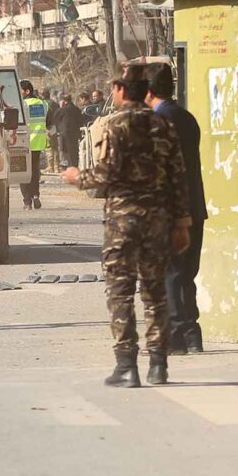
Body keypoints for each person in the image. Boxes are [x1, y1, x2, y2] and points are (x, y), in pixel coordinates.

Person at [61, 65, 192, 388]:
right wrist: (182, 223)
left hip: (123, 221)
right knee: (155, 291)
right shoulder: (163, 124)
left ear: (121, 89)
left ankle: (127, 365)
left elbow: (106, 174)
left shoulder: (115, 125)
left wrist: (78, 178)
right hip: (158, 219)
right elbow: (179, 178)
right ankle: (158, 365)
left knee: (120, 291)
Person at [145, 63, 208, 354]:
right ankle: (191, 334)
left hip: (170, 209)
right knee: (184, 274)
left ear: (148, 92)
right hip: (194, 205)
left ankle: (177, 337)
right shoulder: (187, 117)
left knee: (169, 273)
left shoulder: (157, 122)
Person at [20, 80, 48, 210]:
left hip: (24, 143)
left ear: (27, 91)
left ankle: (27, 202)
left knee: (23, 172)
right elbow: (50, 123)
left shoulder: (22, 105)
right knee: (35, 171)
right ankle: (36, 195)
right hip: (38, 142)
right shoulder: (43, 104)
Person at [52, 93, 85, 168]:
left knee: (64, 152)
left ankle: (65, 166)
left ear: (64, 101)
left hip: (63, 134)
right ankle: (75, 166)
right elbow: (81, 121)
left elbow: (55, 120)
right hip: (75, 133)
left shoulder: (62, 110)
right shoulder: (77, 110)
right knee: (74, 151)